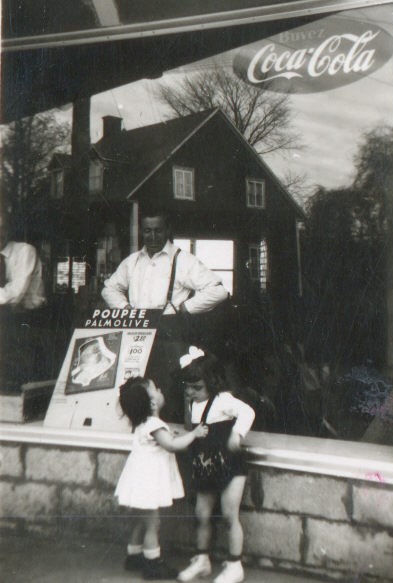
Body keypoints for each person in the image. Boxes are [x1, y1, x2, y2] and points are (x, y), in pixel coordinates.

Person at [101, 208, 228, 420]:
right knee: (136, 394)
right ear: (141, 231)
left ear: (167, 230)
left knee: (169, 399)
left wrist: (188, 307)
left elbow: (219, 291)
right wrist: (126, 310)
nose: (152, 236)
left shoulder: (183, 260)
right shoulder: (132, 262)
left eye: (157, 231)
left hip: (170, 340)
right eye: (147, 231)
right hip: (137, 338)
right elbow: (109, 289)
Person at [115, 375, 208, 580]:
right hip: (148, 481)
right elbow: (171, 445)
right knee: (153, 524)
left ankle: (134, 556)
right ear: (152, 402)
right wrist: (194, 434)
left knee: (142, 521)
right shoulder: (155, 424)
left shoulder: (145, 423)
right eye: (156, 388)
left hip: (139, 479)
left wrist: (171, 433)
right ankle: (152, 564)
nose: (161, 390)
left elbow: (162, 439)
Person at [176, 346, 255, 583]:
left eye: (196, 387)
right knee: (202, 514)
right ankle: (202, 560)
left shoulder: (222, 400)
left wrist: (236, 435)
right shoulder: (192, 401)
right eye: (187, 387)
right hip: (205, 464)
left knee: (230, 515)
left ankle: (234, 565)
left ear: (212, 381)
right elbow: (191, 427)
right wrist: (186, 404)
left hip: (230, 463)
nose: (191, 392)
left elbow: (247, 412)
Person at [0, 210, 47, 390]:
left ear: (9, 230)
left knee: (19, 379)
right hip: (5, 319)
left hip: (27, 321)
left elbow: (15, 294)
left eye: (1, 228)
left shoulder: (25, 251)